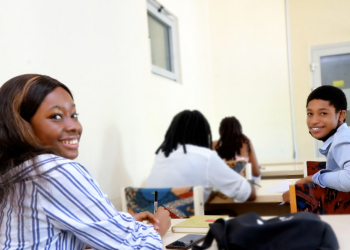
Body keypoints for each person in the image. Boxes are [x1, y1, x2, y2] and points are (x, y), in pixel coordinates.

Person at [0, 74, 170, 249]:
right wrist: (157, 229)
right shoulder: (55, 171)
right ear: (21, 125)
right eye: (56, 116)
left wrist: (112, 223)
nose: (75, 126)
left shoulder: (13, 173)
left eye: (74, 115)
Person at [146, 110, 256, 203]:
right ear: (203, 134)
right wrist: (243, 179)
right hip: (188, 227)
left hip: (153, 225)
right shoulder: (207, 157)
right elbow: (250, 194)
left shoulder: (162, 154)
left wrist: (209, 192)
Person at [283, 85, 349, 202]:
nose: (313, 121)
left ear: (341, 115)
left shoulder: (343, 139)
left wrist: (311, 179)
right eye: (310, 114)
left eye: (323, 113)